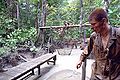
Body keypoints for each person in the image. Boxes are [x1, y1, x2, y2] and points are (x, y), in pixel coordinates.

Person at [76, 8, 120, 80]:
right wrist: (81, 59)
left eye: (94, 24)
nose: (91, 27)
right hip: (97, 75)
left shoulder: (118, 34)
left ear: (103, 21)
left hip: (115, 75)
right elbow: (88, 49)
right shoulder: (94, 36)